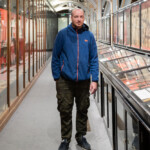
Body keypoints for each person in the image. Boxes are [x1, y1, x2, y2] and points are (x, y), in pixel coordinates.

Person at [51, 8, 99, 150]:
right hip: (65, 80)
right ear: (71, 18)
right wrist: (56, 77)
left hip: (84, 80)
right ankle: (65, 138)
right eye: (76, 16)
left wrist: (95, 79)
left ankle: (81, 136)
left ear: (84, 18)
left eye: (81, 16)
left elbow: (94, 59)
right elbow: (55, 57)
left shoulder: (89, 36)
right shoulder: (62, 35)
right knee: (65, 109)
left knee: (83, 108)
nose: (79, 19)